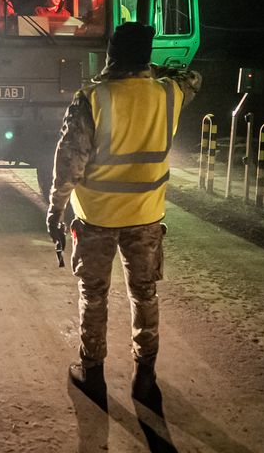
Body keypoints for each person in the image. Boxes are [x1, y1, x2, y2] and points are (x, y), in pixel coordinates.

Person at [45, 22, 201, 407]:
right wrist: (152, 69)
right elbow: (193, 76)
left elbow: (70, 164)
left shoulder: (92, 98)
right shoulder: (168, 93)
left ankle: (92, 375)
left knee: (94, 297)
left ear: (111, 54)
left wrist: (55, 210)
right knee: (145, 295)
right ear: (147, 55)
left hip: (96, 218)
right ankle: (144, 380)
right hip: (146, 217)